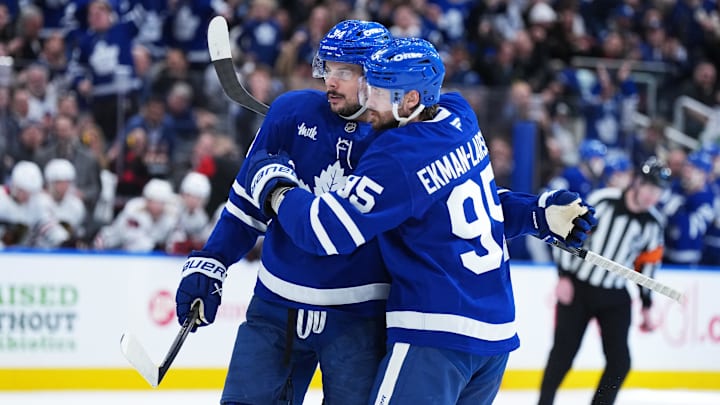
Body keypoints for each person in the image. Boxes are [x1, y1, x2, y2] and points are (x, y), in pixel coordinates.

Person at [243, 38, 597, 404]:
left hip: (433, 336)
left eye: (379, 90)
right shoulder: (459, 116)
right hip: (494, 337)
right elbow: (471, 205)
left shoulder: (395, 158)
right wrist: (536, 214)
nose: (367, 98)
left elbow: (323, 230)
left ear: (411, 99)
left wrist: (276, 186)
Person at [174, 20, 393, 405]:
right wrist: (212, 260)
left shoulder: (397, 138)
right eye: (328, 67)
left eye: (345, 71)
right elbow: (245, 205)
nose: (330, 81)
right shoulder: (292, 112)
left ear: (374, 75)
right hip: (277, 305)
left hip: (359, 318)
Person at [538, 157, 672, 405]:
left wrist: (646, 305)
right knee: (563, 355)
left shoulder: (653, 224)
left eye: (659, 192)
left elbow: (647, 267)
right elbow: (567, 235)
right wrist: (563, 276)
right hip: (579, 288)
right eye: (651, 189)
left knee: (620, 362)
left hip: (615, 297)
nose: (654, 197)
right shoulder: (603, 201)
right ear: (638, 182)